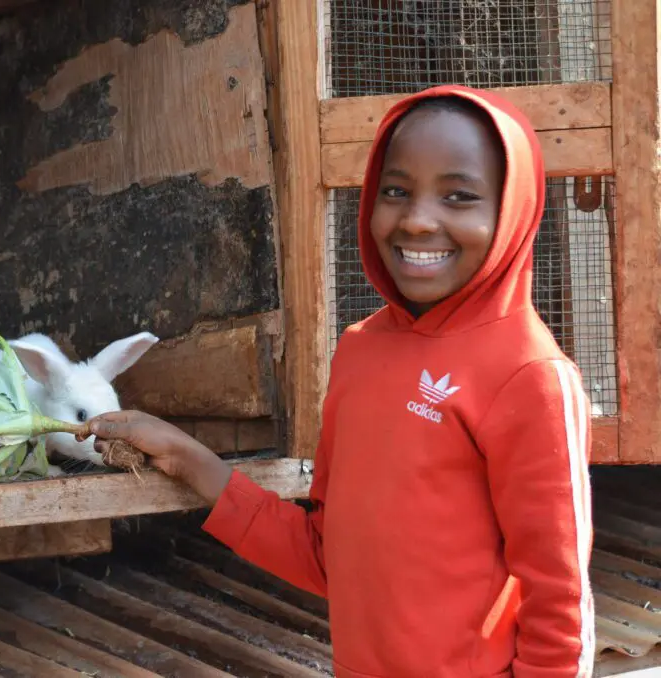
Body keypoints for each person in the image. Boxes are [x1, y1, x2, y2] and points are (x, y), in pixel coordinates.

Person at [79, 85, 594, 678]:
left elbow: (560, 610)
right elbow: (327, 559)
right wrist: (184, 455)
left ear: (513, 211)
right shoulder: (360, 351)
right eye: (395, 191)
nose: (418, 220)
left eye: (459, 197)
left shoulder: (530, 377)